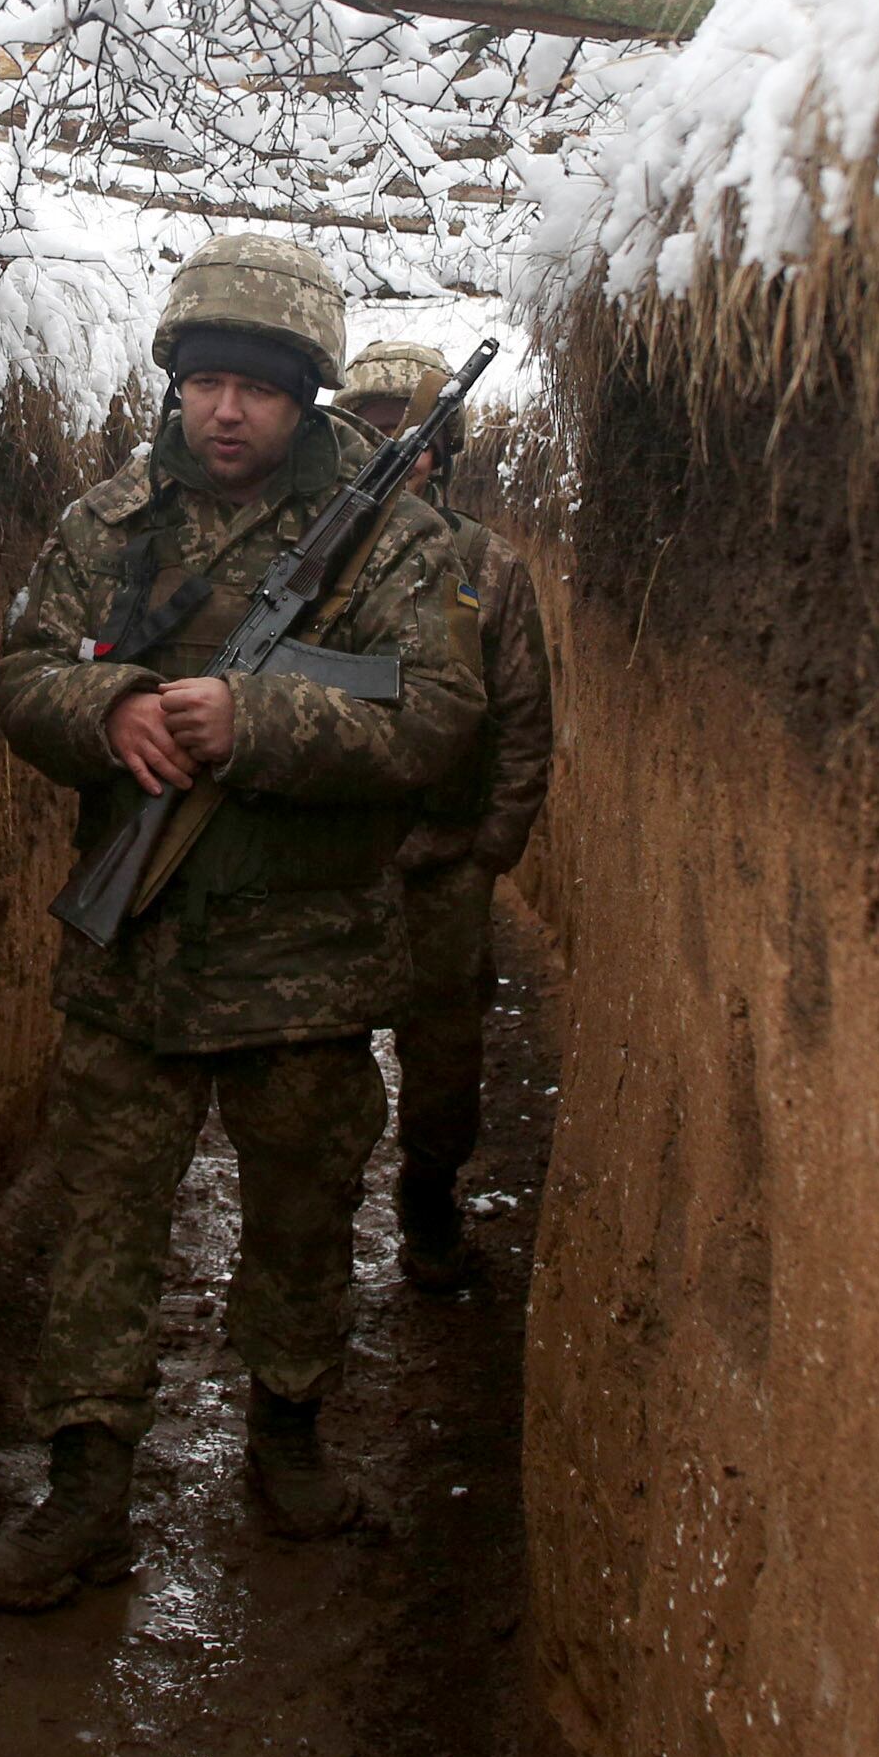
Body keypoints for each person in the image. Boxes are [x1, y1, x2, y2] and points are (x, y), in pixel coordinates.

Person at [0, 235, 485, 1612]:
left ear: (308, 397)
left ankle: (290, 1442)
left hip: (306, 973)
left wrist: (259, 720)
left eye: (259, 385)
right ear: (175, 382)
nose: (227, 410)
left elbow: (433, 721)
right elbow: (22, 674)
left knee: (306, 1221)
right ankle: (84, 1490)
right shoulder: (109, 523)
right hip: (132, 958)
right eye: (205, 379)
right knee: (103, 1228)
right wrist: (109, 708)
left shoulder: (398, 543)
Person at [336, 340, 554, 1292]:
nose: (397, 453)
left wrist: (488, 853)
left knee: (443, 1067)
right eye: (373, 433)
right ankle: (316, 1235)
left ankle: (428, 1203)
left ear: (444, 452)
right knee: (316, 1066)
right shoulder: (313, 556)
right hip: (331, 862)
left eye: (414, 438)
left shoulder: (487, 568)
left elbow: (523, 719)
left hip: (445, 864)